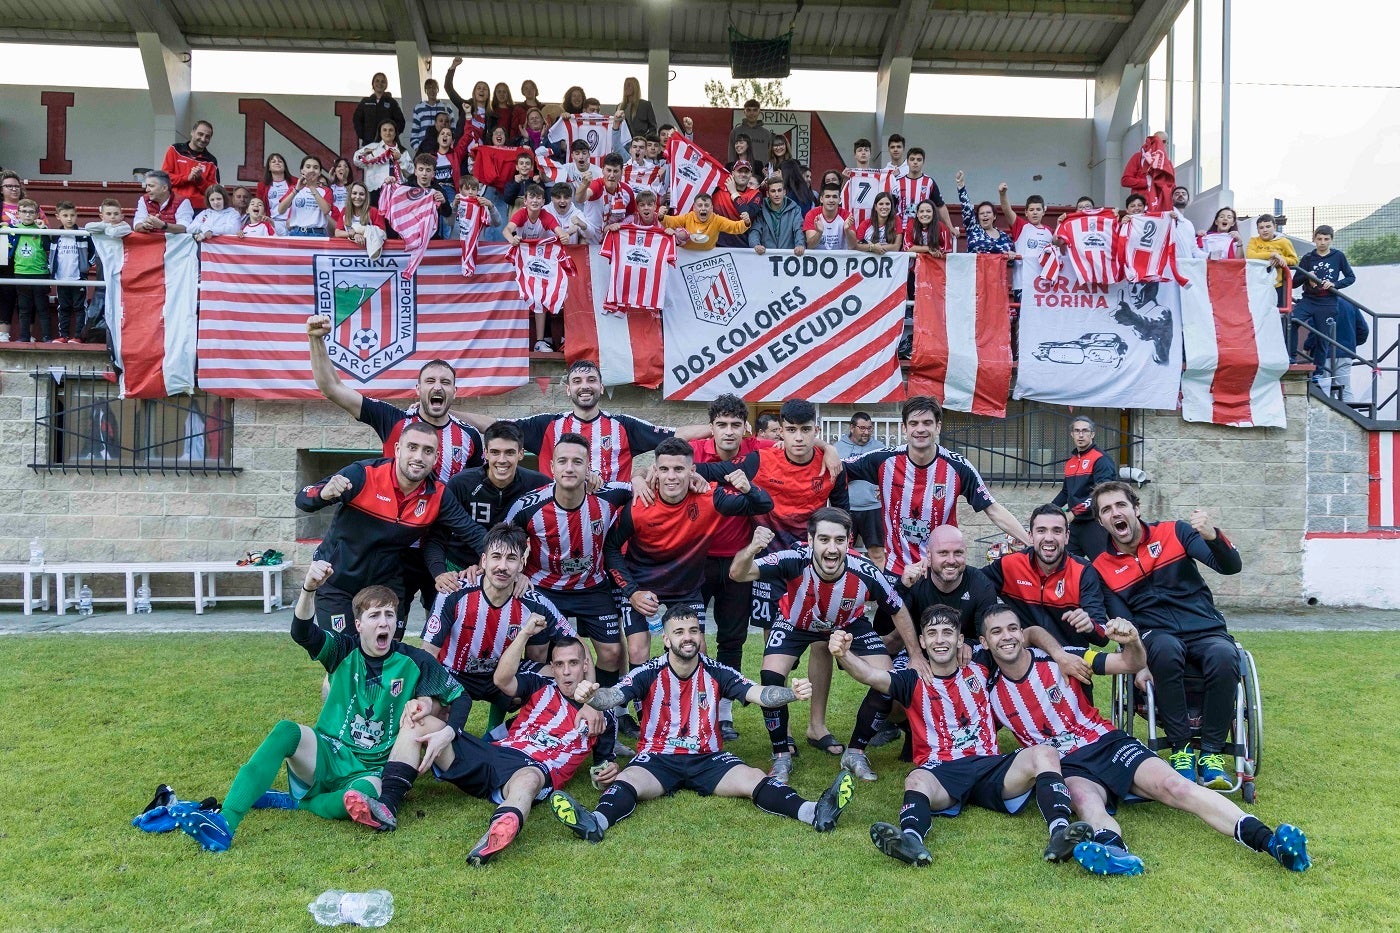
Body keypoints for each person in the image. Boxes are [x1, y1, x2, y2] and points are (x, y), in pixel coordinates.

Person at [978, 604, 1311, 876]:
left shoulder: (1065, 657)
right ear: (984, 641)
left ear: (1022, 634)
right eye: (996, 632)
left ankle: (1270, 842)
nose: (1006, 637)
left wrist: (1134, 640)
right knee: (1086, 802)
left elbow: (1130, 662)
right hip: (1066, 765)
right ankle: (1114, 854)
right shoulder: (984, 688)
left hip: (1106, 743)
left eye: (1011, 629)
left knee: (1178, 788)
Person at [160, 560, 469, 851]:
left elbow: (461, 697)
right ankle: (226, 821)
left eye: (389, 615)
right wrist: (308, 589)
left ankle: (300, 803)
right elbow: (302, 632)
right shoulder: (342, 650)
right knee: (286, 731)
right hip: (327, 752)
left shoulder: (415, 661)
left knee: (367, 794)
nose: (384, 622)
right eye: (375, 616)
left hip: (371, 768)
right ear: (358, 624)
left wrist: (447, 730)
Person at [549, 606, 855, 842]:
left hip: (709, 759)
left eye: (694, 630)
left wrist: (791, 693)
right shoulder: (648, 672)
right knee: (626, 782)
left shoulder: (717, 671)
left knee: (753, 777)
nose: (688, 637)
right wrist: (593, 695)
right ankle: (594, 822)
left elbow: (759, 693)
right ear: (666, 639)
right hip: (658, 758)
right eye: (679, 632)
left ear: (700, 636)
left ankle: (814, 812)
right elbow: (614, 696)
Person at [830, 608, 1094, 868]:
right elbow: (868, 674)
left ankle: (1060, 831)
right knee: (916, 778)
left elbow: (1032, 633)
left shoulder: (981, 663)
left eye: (947, 632)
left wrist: (1059, 654)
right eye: (932, 633)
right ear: (922, 641)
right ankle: (910, 840)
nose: (940, 640)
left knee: (1044, 752)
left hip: (990, 767)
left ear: (959, 640)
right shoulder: (911, 679)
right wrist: (843, 654)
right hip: (943, 772)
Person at [374, 613, 616, 864]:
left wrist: (607, 770)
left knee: (529, 779)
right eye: (559, 664)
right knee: (420, 722)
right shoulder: (540, 684)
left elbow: (603, 767)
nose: (566, 672)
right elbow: (502, 679)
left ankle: (496, 832)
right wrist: (524, 633)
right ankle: (386, 804)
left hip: (532, 768)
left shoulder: (603, 714)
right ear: (552, 667)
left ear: (586, 665)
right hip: (493, 755)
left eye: (574, 663)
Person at [307, 319, 485, 614]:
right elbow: (332, 387)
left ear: (455, 391)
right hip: (393, 549)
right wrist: (315, 340)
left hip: (440, 548)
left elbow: (475, 496)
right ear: (418, 388)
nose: (437, 387)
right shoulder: (394, 420)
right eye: (430, 381)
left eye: (445, 382)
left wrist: (482, 553)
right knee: (386, 623)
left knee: (445, 624)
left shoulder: (470, 438)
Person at [730, 510, 921, 785]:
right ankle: (781, 755)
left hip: (848, 623)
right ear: (810, 540)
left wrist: (915, 656)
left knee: (887, 680)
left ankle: (855, 752)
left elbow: (897, 608)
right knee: (770, 676)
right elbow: (737, 573)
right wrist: (752, 548)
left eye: (839, 540)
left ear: (848, 541)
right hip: (795, 622)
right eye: (824, 539)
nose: (832, 548)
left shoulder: (865, 569)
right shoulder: (793, 558)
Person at [1090, 482, 1243, 790]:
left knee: (1225, 655)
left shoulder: (1176, 532)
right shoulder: (1102, 567)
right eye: (1106, 510)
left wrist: (1212, 536)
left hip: (1204, 628)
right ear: (1100, 521)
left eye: (1120, 505)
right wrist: (1137, 661)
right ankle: (1181, 749)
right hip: (1155, 634)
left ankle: (1211, 754)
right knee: (1163, 647)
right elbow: (1124, 621)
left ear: (1136, 509)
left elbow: (1230, 567)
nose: (1115, 513)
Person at [605, 437, 773, 693]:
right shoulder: (640, 503)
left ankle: (691, 714)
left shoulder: (710, 497)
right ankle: (643, 717)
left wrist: (748, 487)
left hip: (685, 588)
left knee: (696, 649)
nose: (671, 476)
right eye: (664, 469)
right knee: (638, 651)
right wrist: (632, 592)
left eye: (679, 469)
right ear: (655, 471)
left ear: (692, 471)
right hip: (640, 587)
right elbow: (611, 548)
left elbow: (763, 504)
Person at [295, 422, 487, 639]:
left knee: (386, 656)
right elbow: (303, 498)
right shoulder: (363, 474)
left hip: (387, 586)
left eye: (427, 451)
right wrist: (323, 493)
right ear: (397, 449)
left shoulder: (438, 496)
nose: (419, 456)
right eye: (412, 447)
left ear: (435, 458)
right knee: (343, 658)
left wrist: (506, 561)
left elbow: (472, 532)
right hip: (337, 583)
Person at [841, 396, 1031, 588]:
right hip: (897, 572)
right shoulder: (883, 460)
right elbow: (835, 469)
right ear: (904, 428)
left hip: (940, 573)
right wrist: (826, 448)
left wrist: (1030, 543)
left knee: (942, 619)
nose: (920, 429)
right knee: (893, 618)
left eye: (927, 423)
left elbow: (993, 509)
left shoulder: (958, 467)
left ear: (938, 427)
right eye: (914, 423)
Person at [506, 432, 632, 694]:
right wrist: (516, 573)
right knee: (537, 651)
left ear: (588, 468)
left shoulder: (610, 496)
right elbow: (504, 541)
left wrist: (642, 478)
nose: (570, 468)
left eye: (577, 462)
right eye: (562, 461)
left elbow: (641, 487)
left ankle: (606, 708)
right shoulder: (528, 506)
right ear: (552, 467)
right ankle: (542, 706)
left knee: (612, 651)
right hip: (543, 587)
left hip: (592, 587)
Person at [422, 522, 571, 726]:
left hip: (500, 674)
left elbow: (575, 644)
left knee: (552, 676)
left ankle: (504, 734)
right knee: (430, 708)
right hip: (454, 672)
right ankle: (443, 733)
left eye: (511, 558)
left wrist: (589, 701)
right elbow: (428, 652)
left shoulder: (533, 601)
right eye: (496, 557)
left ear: (521, 564)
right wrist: (426, 695)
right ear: (483, 560)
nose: (502, 566)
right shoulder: (454, 592)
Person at [466, 359, 705, 483]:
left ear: (600, 387)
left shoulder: (623, 425)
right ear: (568, 390)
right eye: (578, 382)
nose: (585, 386)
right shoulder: (547, 425)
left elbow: (676, 433)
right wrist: (448, 414)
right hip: (558, 521)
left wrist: (716, 428)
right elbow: (494, 425)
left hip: (612, 521)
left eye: (591, 380)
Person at [425, 421, 548, 587]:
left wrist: (590, 481)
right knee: (440, 604)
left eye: (509, 452)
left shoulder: (539, 486)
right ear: (486, 454)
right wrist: (439, 574)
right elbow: (435, 536)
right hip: (459, 568)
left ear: (521, 453)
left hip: (508, 570)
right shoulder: (461, 484)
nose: (502, 460)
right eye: (495, 452)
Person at [982, 505, 1110, 655]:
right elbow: (971, 584)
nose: (1049, 538)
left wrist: (1090, 626)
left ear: (1067, 536)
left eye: (1057, 531)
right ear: (1030, 536)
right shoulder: (1009, 565)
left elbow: (1103, 637)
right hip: (1023, 664)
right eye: (1041, 531)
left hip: (1069, 662)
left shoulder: (1083, 571)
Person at [1293, 225, 1361, 383]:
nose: (1322, 242)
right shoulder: (1308, 258)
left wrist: (1335, 284)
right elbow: (1295, 282)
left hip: (1328, 301)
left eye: (1326, 239)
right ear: (1314, 239)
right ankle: (1291, 357)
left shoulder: (1338, 256)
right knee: (1293, 320)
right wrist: (1306, 275)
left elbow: (1350, 277)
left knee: (1322, 336)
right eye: (1319, 239)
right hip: (1309, 299)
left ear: (1331, 240)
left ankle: (1318, 371)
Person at [1051, 417, 1118, 558]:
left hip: (1095, 524)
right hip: (1074, 526)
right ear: (1072, 434)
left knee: (1105, 567)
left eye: (1085, 431)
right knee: (1065, 565)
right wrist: (1047, 510)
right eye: (1077, 431)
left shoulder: (1101, 459)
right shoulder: (1070, 462)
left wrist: (1073, 513)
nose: (1080, 435)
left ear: (1092, 434)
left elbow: (1101, 494)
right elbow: (1065, 492)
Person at [836, 412, 885, 565]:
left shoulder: (880, 449)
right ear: (852, 427)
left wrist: (884, 489)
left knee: (877, 553)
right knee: (841, 552)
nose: (866, 432)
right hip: (846, 508)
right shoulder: (837, 449)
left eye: (869, 428)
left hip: (873, 508)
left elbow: (889, 473)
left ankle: (880, 588)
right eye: (862, 428)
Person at [46, 200, 93, 344]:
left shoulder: (83, 234)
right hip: (62, 278)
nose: (69, 218)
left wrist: (87, 266)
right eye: (65, 215)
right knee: (64, 307)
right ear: (58, 216)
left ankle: (79, 336)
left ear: (76, 215)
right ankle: (63, 335)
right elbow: (47, 250)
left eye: (72, 215)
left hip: (78, 277)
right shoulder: (55, 235)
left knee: (80, 308)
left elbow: (93, 252)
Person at [6, 199, 51, 343]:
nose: (27, 215)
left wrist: (43, 230)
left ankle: (47, 337)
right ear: (18, 213)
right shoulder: (13, 230)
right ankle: (24, 336)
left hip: (40, 273)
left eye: (31, 212)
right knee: (24, 308)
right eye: (24, 211)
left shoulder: (42, 230)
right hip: (20, 273)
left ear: (37, 214)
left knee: (42, 307)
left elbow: (47, 246)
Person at [999, 183, 1053, 301]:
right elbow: (1006, 210)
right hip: (1022, 284)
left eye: (1038, 209)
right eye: (1031, 210)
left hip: (1044, 285)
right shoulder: (1021, 226)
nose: (1035, 212)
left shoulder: (1049, 231)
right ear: (1026, 212)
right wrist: (1002, 194)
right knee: (1022, 319)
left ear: (1044, 211)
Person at [574, 153, 636, 244]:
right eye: (609, 170)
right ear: (602, 170)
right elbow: (579, 199)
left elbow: (632, 215)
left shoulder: (627, 191)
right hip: (592, 242)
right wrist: (584, 185)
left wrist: (619, 225)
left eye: (615, 171)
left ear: (622, 172)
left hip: (614, 242)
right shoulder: (596, 185)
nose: (611, 175)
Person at [160, 120, 219, 210]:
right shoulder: (175, 150)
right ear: (192, 132)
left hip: (199, 209)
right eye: (200, 134)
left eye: (207, 136)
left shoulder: (211, 161)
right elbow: (164, 179)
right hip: (174, 205)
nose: (203, 139)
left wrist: (200, 180)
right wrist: (187, 178)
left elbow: (213, 192)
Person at [353, 122, 414, 207]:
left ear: (395, 133)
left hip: (398, 192)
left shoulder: (402, 150)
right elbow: (357, 162)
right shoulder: (372, 148)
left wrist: (400, 158)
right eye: (384, 130)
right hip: (375, 191)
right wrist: (364, 154)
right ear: (380, 132)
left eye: (391, 130)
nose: (388, 133)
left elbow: (411, 171)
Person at [662, 192, 750, 250]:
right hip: (687, 258)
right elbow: (671, 221)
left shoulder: (717, 220)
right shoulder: (687, 217)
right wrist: (662, 216)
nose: (703, 208)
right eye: (700, 205)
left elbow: (734, 227)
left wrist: (745, 222)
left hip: (708, 259)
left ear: (711, 208)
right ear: (694, 208)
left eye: (706, 205)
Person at [1246, 214, 1298, 308]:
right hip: (1257, 285)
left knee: (1277, 313)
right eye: (1261, 227)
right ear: (1257, 230)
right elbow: (1250, 256)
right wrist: (1272, 254)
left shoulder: (1284, 242)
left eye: (1268, 226)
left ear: (1275, 227)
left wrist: (1280, 260)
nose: (1265, 230)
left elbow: (1294, 260)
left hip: (1277, 285)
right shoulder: (1254, 241)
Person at [894, 148, 952, 232]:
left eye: (919, 160)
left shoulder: (929, 182)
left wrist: (950, 226)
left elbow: (940, 206)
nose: (915, 162)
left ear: (923, 162)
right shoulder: (897, 183)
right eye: (912, 159)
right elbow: (891, 207)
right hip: (901, 230)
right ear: (907, 162)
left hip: (923, 229)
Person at [956, 172, 1013, 254]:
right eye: (981, 213)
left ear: (994, 216)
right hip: (976, 266)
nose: (985, 215)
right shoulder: (974, 230)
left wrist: (1011, 255)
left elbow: (1012, 257)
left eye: (988, 212)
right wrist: (961, 186)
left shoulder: (1004, 237)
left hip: (997, 267)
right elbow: (967, 209)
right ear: (978, 217)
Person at [749, 175, 807, 255]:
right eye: (773, 191)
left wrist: (800, 245)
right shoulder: (761, 209)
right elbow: (755, 230)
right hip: (766, 257)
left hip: (788, 258)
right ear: (768, 194)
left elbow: (799, 229)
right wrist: (755, 245)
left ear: (784, 192)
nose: (777, 194)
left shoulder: (795, 210)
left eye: (779, 190)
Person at [278, 156, 335, 237]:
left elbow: (326, 210)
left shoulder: (326, 190)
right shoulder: (293, 188)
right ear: (302, 170)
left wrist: (312, 186)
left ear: (319, 172)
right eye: (308, 167)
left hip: (317, 233)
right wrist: (296, 190)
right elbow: (281, 210)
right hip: (296, 232)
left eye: (315, 168)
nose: (311, 170)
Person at [1120, 131, 1174, 210]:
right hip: (1140, 206)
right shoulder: (1138, 157)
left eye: (1163, 142)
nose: (1159, 144)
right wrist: (1147, 183)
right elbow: (1125, 180)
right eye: (1156, 140)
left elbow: (1171, 185)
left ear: (1166, 144)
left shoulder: (1167, 163)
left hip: (1160, 206)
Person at [353, 72, 406, 146]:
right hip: (369, 143)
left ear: (386, 85)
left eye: (383, 81)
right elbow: (357, 119)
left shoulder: (392, 102)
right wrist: (363, 135)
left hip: (387, 144)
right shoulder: (365, 101)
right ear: (373, 83)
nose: (380, 84)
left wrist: (391, 136)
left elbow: (401, 122)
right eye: (377, 81)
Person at [132, 170, 193, 234]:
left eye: (151, 186)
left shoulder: (182, 201)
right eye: (146, 186)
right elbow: (137, 226)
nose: (147, 190)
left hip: (173, 243)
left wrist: (163, 225)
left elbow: (184, 228)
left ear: (164, 188)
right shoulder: (144, 199)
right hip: (150, 242)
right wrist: (144, 226)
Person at [409, 77, 455, 150]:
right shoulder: (418, 108)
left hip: (443, 148)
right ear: (425, 91)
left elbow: (453, 129)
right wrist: (418, 149)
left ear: (438, 90)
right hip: (424, 149)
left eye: (434, 88)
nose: (432, 90)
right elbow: (415, 132)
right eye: (429, 88)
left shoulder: (446, 107)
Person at [804, 183, 851, 251]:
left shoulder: (847, 215)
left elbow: (853, 246)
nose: (831, 200)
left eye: (834, 197)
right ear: (821, 199)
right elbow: (810, 245)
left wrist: (847, 231)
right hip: (818, 259)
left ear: (840, 200)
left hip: (841, 260)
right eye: (827, 196)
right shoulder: (812, 214)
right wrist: (819, 233)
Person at [255, 153, 292, 235]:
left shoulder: (295, 182)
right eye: (273, 161)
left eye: (280, 161)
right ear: (269, 168)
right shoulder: (262, 185)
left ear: (285, 166)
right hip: (273, 222)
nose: (277, 163)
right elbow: (259, 204)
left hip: (292, 222)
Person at [729, 99, 774, 164]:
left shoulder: (767, 134)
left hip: (761, 172)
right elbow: (731, 155)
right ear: (744, 112)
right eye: (748, 110)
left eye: (755, 110)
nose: (752, 113)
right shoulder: (735, 132)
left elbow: (772, 157)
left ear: (759, 112)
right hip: (741, 172)